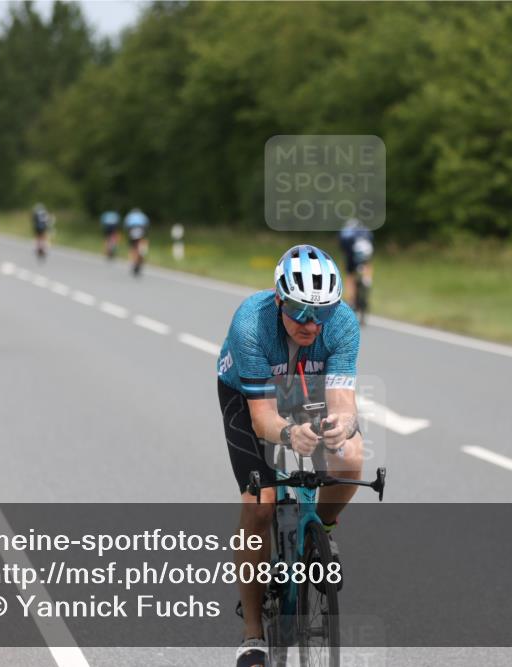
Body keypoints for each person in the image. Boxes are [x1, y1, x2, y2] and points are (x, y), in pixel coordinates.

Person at [216, 244, 364, 667]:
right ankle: (252, 636)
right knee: (259, 505)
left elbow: (342, 401)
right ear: (279, 299)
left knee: (351, 459)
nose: (311, 324)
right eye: (300, 310)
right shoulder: (251, 324)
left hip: (311, 388)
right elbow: (263, 417)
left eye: (323, 311)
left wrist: (340, 424)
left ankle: (325, 531)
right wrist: (288, 432)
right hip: (249, 394)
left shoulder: (343, 325)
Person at [338, 218, 374, 318]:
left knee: (350, 275)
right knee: (368, 263)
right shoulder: (367, 232)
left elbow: (344, 250)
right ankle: (367, 279)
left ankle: (351, 300)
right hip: (366, 253)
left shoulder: (345, 232)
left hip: (352, 255)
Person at [124, 207, 150, 276]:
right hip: (141, 229)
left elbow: (126, 224)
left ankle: (133, 261)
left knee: (133, 247)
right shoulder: (142, 215)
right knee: (141, 244)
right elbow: (147, 224)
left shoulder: (130, 215)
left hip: (132, 229)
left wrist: (128, 231)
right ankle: (141, 255)